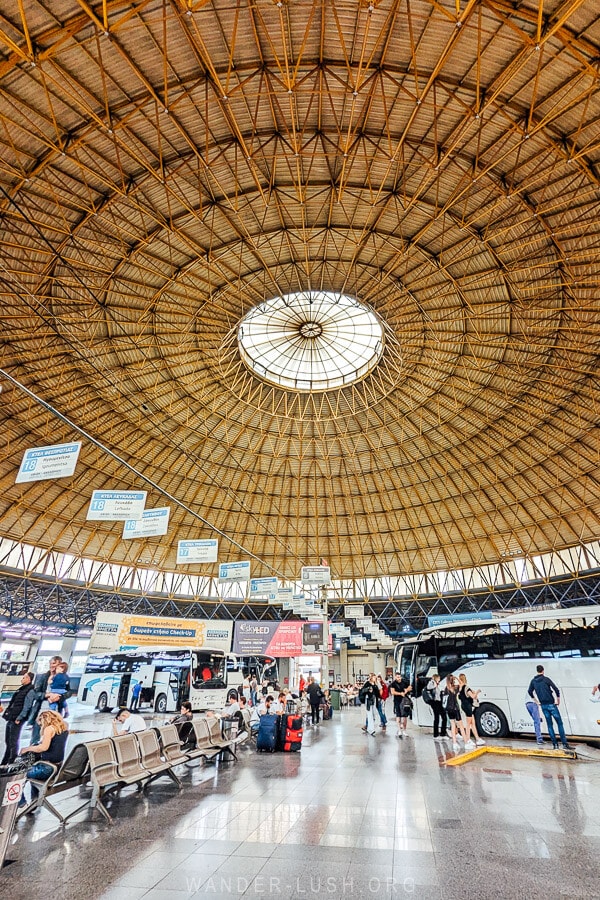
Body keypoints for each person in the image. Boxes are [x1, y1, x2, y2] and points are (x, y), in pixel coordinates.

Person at [18, 710, 69, 808]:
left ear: (45, 720)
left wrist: (27, 749)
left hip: (47, 768)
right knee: (34, 773)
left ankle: (21, 804)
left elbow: (43, 747)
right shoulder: (64, 726)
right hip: (57, 766)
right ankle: (35, 802)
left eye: (41, 724)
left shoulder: (49, 729)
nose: (41, 726)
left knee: (18, 776)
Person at [28, 656, 72, 743]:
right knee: (36, 736)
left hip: (55, 712)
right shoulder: (42, 677)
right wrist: (47, 695)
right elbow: (35, 694)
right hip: (41, 711)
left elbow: (69, 692)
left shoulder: (63, 678)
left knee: (52, 737)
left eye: (55, 664)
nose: (52, 666)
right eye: (51, 663)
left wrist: (60, 697)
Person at [528, 665, 572, 750]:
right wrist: (558, 700)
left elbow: (530, 691)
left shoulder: (533, 681)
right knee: (559, 723)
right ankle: (564, 744)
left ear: (537, 671)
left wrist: (537, 701)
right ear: (543, 670)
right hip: (551, 705)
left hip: (543, 706)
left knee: (549, 725)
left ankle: (555, 745)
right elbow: (556, 689)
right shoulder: (546, 679)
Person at [1, 671, 34, 765]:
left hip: (17, 719)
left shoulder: (30, 691)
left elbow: (27, 706)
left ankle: (11, 761)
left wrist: (20, 717)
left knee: (13, 741)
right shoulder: (21, 689)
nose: (22, 679)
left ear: (28, 679)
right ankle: (5, 761)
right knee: (8, 741)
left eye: (24, 677)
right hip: (11, 717)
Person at [457, 673, 485, 749]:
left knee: (472, 723)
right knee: (469, 724)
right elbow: (473, 696)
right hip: (468, 706)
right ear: (465, 679)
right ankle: (468, 740)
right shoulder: (466, 687)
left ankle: (477, 738)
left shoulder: (460, 688)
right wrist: (477, 692)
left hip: (464, 706)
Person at [441, 675, 466, 751]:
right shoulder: (455, 688)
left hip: (449, 709)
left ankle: (454, 743)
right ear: (453, 680)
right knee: (461, 726)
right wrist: (457, 678)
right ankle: (466, 742)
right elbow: (462, 684)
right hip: (455, 708)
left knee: (452, 725)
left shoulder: (446, 688)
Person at [389, 671, 412, 739]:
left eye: (399, 677)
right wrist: (400, 693)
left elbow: (410, 687)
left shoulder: (405, 682)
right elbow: (392, 692)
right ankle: (399, 730)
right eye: (397, 677)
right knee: (398, 716)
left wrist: (406, 690)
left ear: (401, 677)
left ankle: (404, 730)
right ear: (395, 677)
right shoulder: (393, 684)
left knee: (404, 716)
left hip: (405, 701)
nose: (398, 678)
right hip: (397, 701)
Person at [426, 673, 447, 741]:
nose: (439, 680)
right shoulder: (431, 683)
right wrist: (435, 683)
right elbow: (428, 688)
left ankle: (443, 733)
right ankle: (435, 735)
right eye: (438, 678)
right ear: (435, 678)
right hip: (434, 702)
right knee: (436, 718)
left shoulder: (437, 684)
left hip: (439, 702)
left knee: (444, 717)